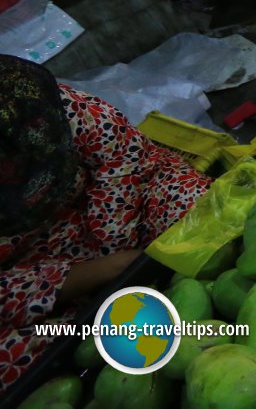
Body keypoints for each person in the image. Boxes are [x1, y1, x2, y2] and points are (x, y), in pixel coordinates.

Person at [0, 55, 212, 387]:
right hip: (38, 276)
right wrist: (105, 271)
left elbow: (119, 153)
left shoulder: (28, 105)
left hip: (116, 207)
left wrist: (119, 243)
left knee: (198, 206)